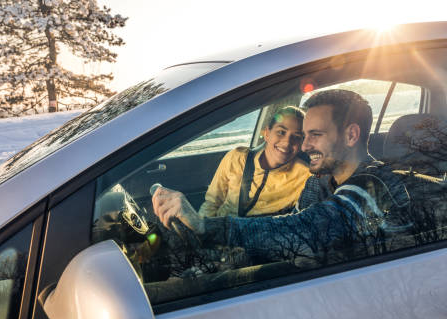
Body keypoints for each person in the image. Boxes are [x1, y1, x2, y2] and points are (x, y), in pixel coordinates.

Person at [152, 89, 411, 267]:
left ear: (351, 136)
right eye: (305, 135)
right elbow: (287, 225)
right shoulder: (318, 183)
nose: (305, 146)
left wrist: (205, 226)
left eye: (315, 135)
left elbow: (302, 231)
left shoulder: (373, 187)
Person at [198, 106, 310, 218]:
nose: (287, 142)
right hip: (221, 229)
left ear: (301, 143)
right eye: (281, 132)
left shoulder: (305, 176)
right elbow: (211, 203)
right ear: (267, 134)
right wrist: (201, 231)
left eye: (296, 137)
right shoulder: (237, 158)